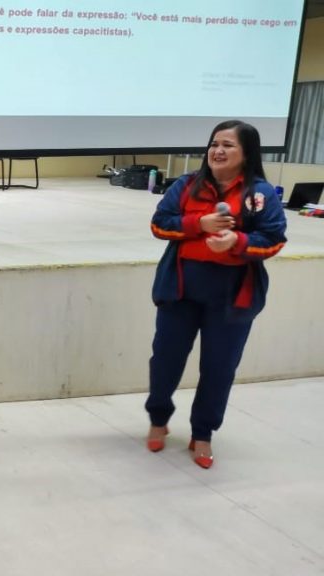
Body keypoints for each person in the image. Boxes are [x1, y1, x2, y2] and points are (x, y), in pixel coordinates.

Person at [146, 120, 286, 469]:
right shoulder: (186, 186)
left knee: (219, 369)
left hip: (231, 299)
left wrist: (236, 242)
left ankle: (203, 433)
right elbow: (159, 224)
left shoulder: (261, 195)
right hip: (180, 294)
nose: (218, 151)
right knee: (165, 361)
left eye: (228, 145)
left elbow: (274, 240)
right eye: (214, 144)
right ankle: (158, 418)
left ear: (247, 153)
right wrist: (199, 224)